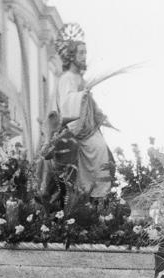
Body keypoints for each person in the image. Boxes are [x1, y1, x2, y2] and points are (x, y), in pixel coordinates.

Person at [50, 23, 114, 198]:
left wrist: (100, 114)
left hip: (89, 126)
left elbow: (91, 104)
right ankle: (91, 193)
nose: (85, 56)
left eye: (85, 53)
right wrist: (82, 96)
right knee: (98, 148)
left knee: (104, 152)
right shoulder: (67, 78)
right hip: (76, 128)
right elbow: (66, 103)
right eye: (81, 53)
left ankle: (99, 195)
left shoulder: (80, 78)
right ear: (71, 56)